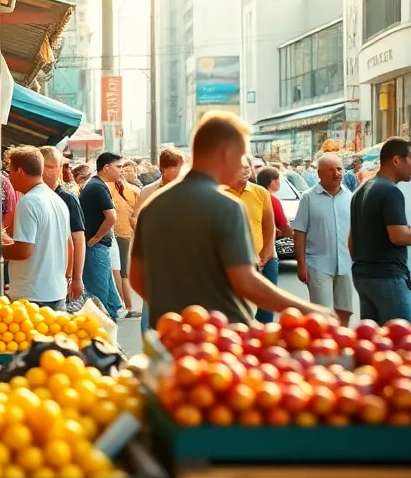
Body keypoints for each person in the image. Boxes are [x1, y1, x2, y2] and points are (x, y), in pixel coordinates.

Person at [130, 112, 327, 325]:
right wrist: (311, 311)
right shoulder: (227, 207)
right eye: (242, 155)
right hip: (222, 334)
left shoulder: (153, 206)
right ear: (226, 153)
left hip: (172, 333)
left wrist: (176, 312)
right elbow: (247, 282)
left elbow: (137, 279)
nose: (245, 166)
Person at [350, 137, 411, 323]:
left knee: (375, 342)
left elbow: (351, 241)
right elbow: (398, 235)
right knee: (400, 341)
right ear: (396, 160)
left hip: (363, 276)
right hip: (388, 278)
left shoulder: (361, 190)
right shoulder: (391, 191)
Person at [2, 147, 70, 309]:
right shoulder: (55, 199)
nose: (8, 176)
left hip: (34, 297)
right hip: (55, 292)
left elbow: (23, 251)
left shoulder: (29, 201)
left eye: (9, 171)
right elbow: (69, 245)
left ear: (19, 171)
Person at [294, 153, 355, 326]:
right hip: (317, 264)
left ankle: (341, 343)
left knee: (345, 310)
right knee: (321, 315)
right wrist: (301, 265)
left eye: (339, 169)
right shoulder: (308, 197)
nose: (336, 173)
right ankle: (323, 347)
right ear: (319, 173)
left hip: (345, 264)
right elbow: (299, 232)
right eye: (330, 170)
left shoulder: (350, 197)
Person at [225, 158, 278, 321]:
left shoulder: (260, 192)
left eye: (247, 167)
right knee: (237, 313)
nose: (246, 170)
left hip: (265, 261)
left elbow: (269, 226)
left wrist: (266, 253)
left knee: (267, 308)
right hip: (233, 264)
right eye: (241, 167)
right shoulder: (220, 193)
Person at [78, 153, 123, 318]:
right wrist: (96, 238)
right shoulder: (96, 186)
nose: (121, 171)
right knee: (99, 300)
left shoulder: (97, 185)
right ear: (106, 167)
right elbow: (111, 217)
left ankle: (110, 337)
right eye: (118, 167)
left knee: (110, 300)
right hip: (95, 247)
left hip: (98, 247)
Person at [42, 147, 85, 302]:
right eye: (49, 166)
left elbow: (78, 240)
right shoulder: (31, 196)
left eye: (56, 166)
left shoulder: (68, 199)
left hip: (61, 277)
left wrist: (76, 278)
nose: (53, 171)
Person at [110, 160, 141, 318]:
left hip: (123, 234)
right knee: (120, 272)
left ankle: (126, 306)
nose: (125, 172)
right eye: (122, 169)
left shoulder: (134, 190)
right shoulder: (109, 187)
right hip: (118, 234)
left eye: (128, 170)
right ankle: (124, 305)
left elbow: (138, 214)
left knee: (122, 272)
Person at [133, 147, 185, 219]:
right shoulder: (148, 191)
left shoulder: (187, 189)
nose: (177, 171)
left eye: (179, 167)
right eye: (173, 167)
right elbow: (136, 217)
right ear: (163, 168)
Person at [256, 167, 293, 241]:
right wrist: (295, 237)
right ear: (273, 182)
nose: (280, 182)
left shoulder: (256, 196)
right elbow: (284, 226)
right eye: (279, 180)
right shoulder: (271, 199)